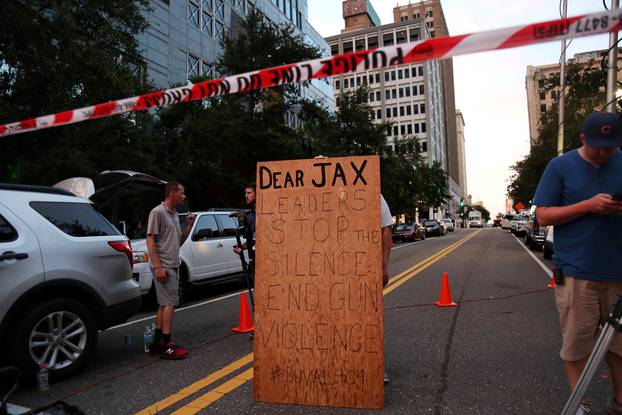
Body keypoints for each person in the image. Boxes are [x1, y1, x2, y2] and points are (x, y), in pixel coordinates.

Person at [534, 112, 622, 414]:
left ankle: (619, 401)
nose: (604, 152)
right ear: (583, 139)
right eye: (598, 146)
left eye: (610, 147)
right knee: (577, 342)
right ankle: (579, 403)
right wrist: (589, 205)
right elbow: (542, 215)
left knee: (620, 345)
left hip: (618, 269)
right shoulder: (560, 166)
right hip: (577, 271)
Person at [146, 181, 196, 359]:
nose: (183, 196)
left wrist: (189, 225)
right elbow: (150, 240)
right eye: (181, 193)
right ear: (172, 193)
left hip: (173, 264)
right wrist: (158, 266)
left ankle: (157, 343)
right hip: (164, 266)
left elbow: (178, 242)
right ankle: (167, 345)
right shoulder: (158, 212)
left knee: (163, 304)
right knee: (170, 304)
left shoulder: (174, 214)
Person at [233, 183, 256, 286]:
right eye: (245, 193)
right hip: (254, 260)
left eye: (249, 193)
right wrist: (241, 247)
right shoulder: (248, 216)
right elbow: (252, 241)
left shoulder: (268, 213)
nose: (246, 195)